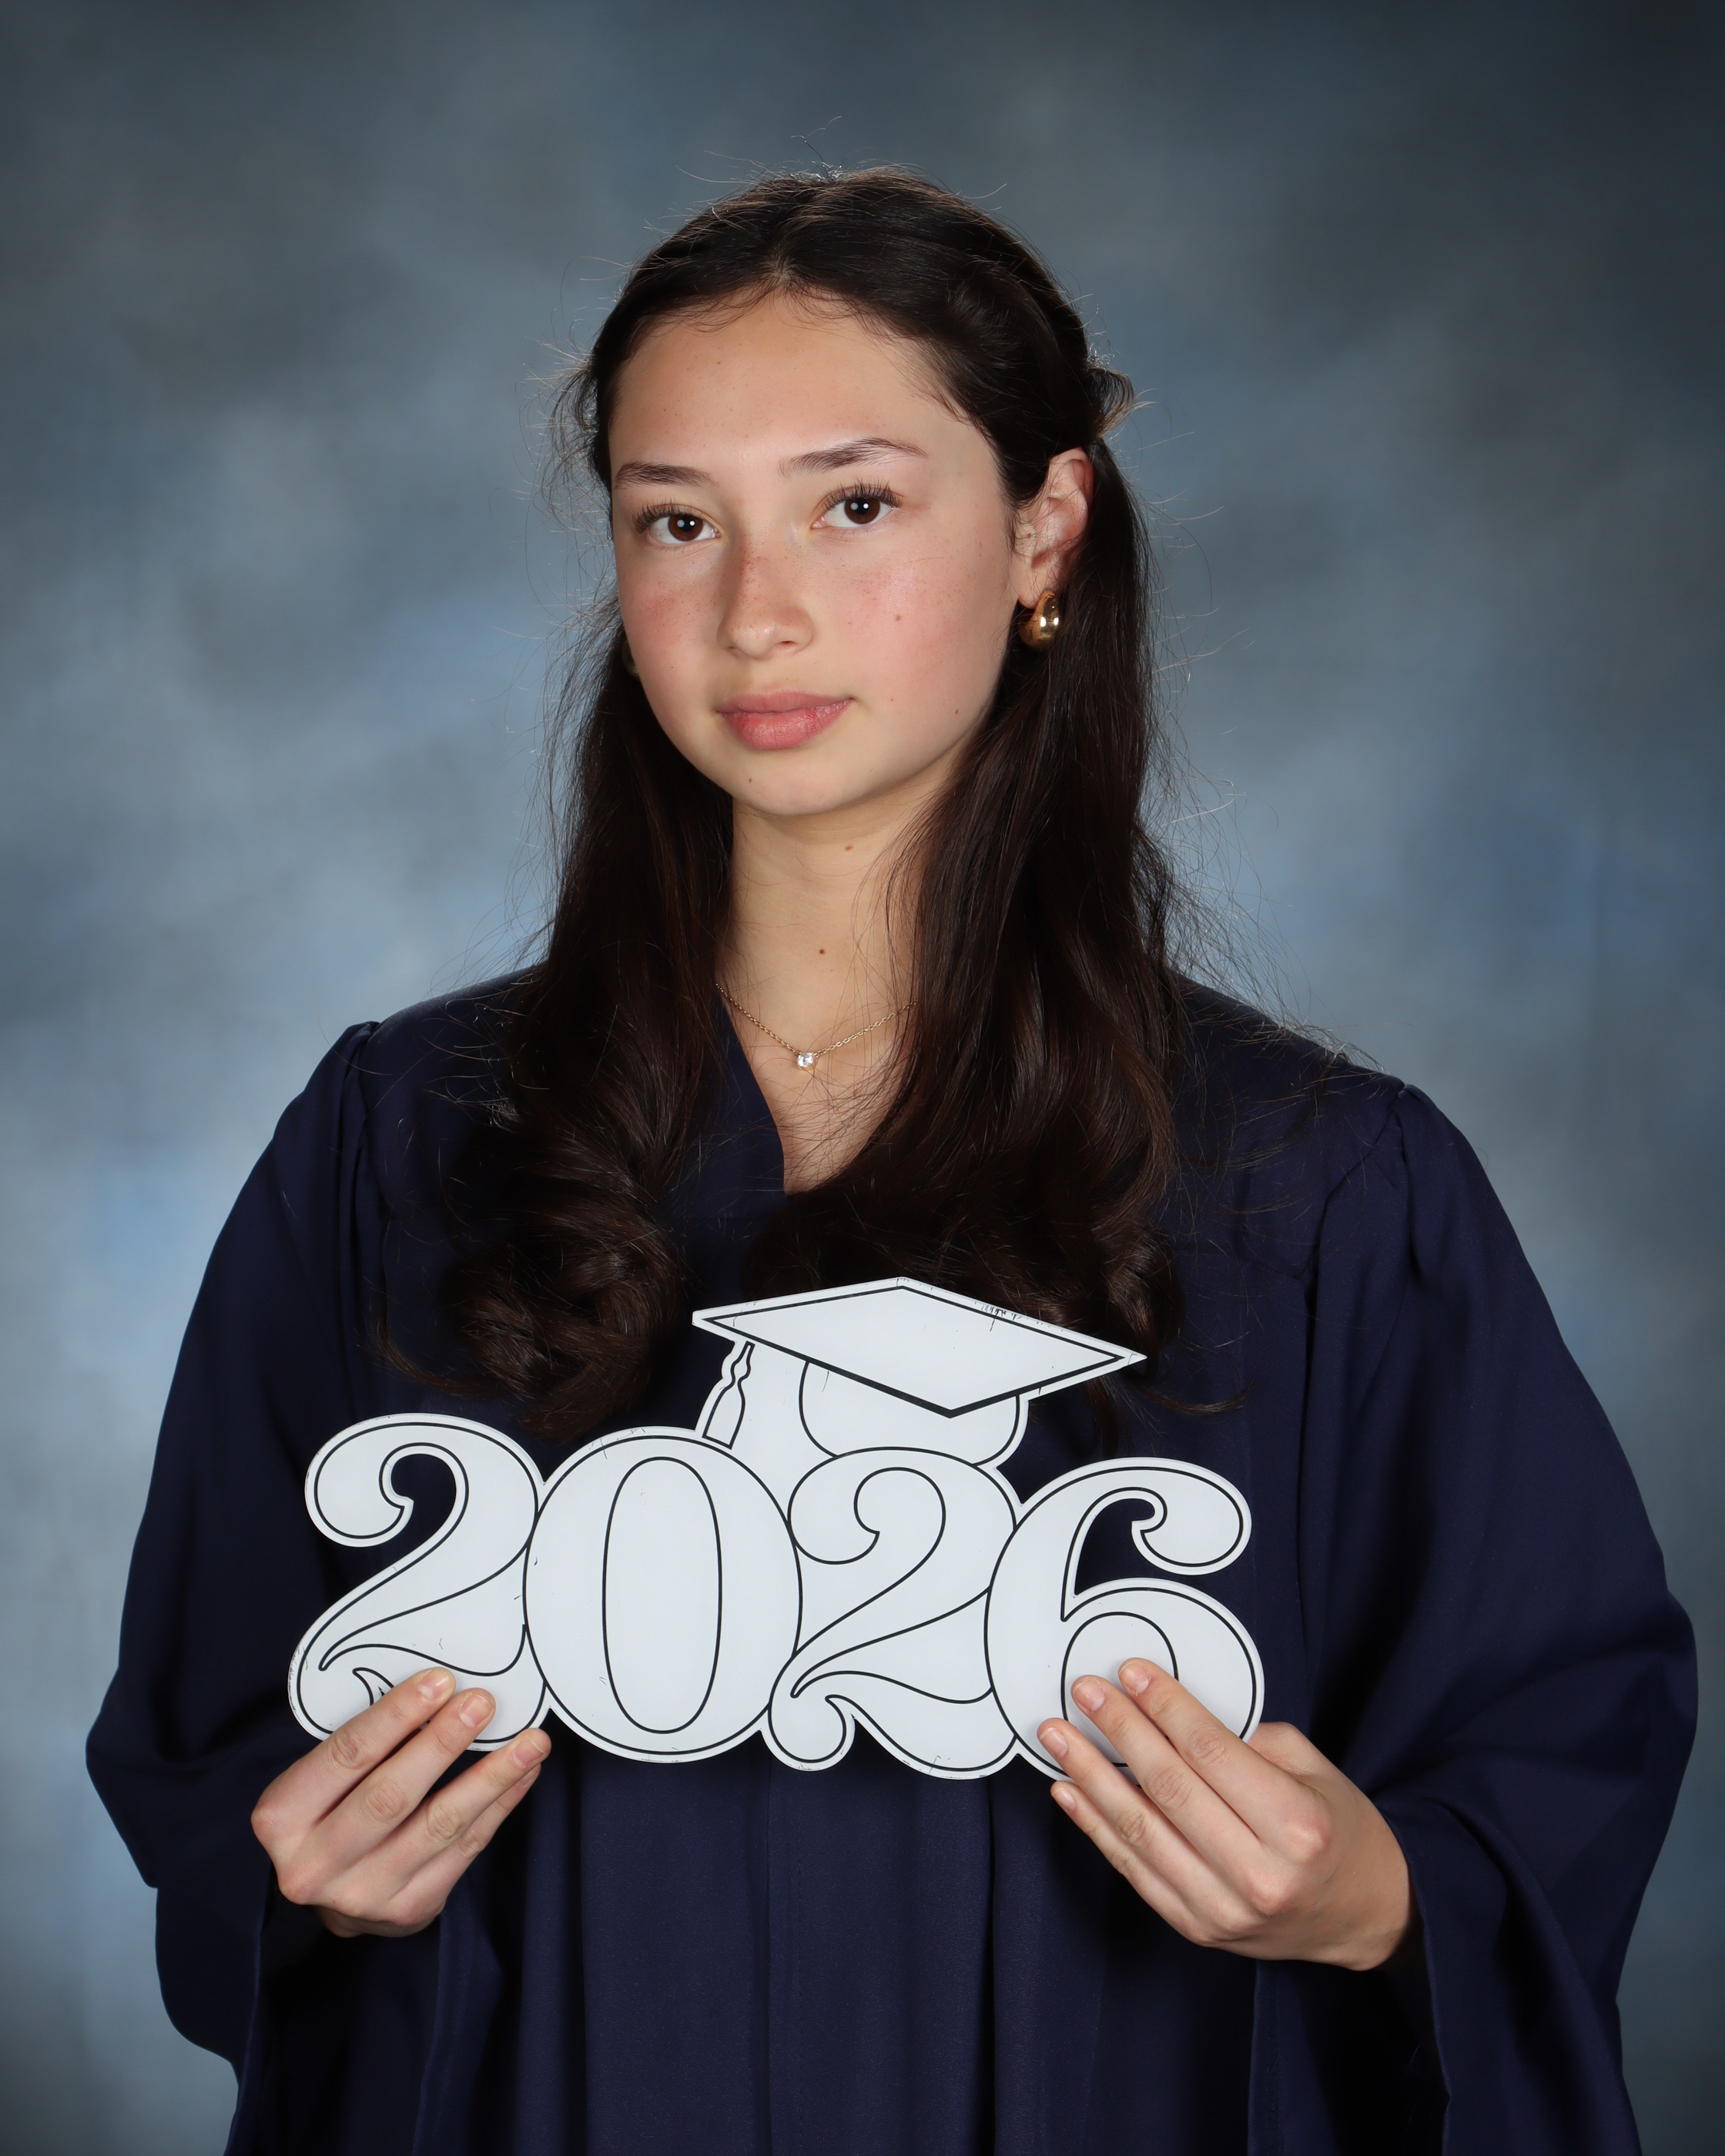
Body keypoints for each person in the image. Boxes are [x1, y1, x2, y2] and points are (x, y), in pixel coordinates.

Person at [87, 169, 1693, 2156]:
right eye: (678, 521)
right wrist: (304, 1879)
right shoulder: (405, 1140)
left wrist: (1382, 1898)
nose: (755, 612)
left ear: (1045, 529)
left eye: (854, 506)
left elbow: (1555, 1730)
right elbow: (215, 1730)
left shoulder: (1322, 1189)